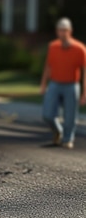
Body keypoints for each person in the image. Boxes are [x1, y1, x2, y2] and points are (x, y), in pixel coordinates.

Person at [40, 17, 86, 149]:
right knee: (47, 115)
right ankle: (57, 131)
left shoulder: (80, 49)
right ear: (57, 32)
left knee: (70, 115)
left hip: (72, 85)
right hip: (55, 83)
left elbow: (85, 71)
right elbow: (48, 66)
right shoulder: (53, 47)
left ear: (70, 31)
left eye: (65, 30)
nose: (62, 33)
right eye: (60, 30)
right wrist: (43, 84)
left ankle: (67, 139)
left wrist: (84, 92)